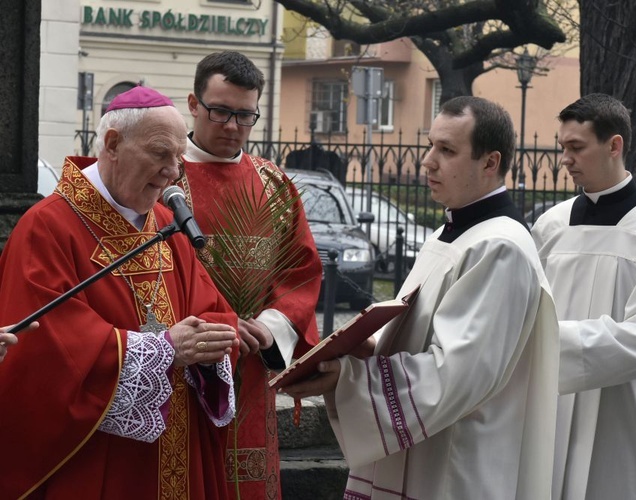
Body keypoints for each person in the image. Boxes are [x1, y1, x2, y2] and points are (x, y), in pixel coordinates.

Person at [284, 96, 560, 499]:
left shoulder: (501, 247)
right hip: (422, 450)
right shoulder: (449, 234)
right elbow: (427, 336)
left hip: (453, 463)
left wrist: (351, 379)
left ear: (490, 162)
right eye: (431, 145)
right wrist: (370, 348)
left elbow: (457, 373)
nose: (427, 161)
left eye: (446, 150)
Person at [0, 85, 241, 499]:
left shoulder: (167, 223)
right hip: (97, 459)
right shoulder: (48, 226)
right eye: (160, 153)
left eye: (178, 157)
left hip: (176, 447)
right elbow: (49, 350)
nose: (173, 172)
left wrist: (212, 337)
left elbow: (212, 310)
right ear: (112, 144)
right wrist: (164, 350)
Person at [531, 93, 636, 500]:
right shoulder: (550, 226)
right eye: (562, 147)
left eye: (576, 147)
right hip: (553, 399)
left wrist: (555, 345)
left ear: (614, 145)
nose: (564, 158)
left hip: (623, 408)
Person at [179, 50, 322, 498]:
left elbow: (301, 271)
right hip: (183, 363)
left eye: (245, 115)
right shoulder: (163, 178)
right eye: (220, 111)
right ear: (193, 103)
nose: (232, 126)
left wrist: (269, 327)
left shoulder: (274, 185)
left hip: (252, 367)